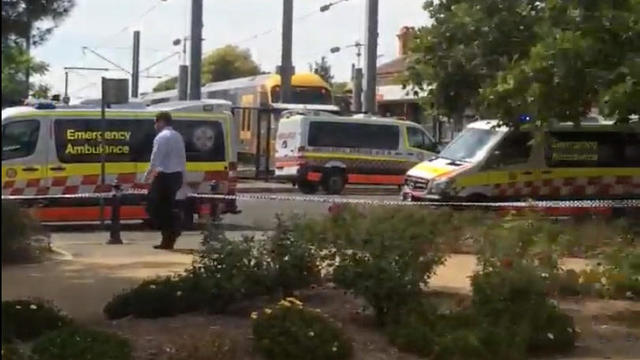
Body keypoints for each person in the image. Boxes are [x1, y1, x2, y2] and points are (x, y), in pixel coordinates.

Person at [144, 111, 186, 250]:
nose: (155, 125)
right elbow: (182, 158)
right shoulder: (178, 136)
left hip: (165, 176)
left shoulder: (161, 137)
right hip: (176, 175)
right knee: (167, 207)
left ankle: (173, 228)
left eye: (156, 122)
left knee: (154, 206)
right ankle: (169, 238)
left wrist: (147, 176)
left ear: (161, 122)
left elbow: (155, 158)